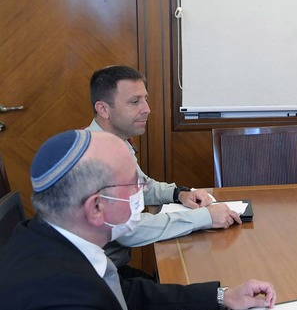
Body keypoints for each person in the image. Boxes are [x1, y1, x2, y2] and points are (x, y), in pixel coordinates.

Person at [0, 129, 294, 310]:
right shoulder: (53, 300)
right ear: (96, 208)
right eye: (133, 184)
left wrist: (222, 297)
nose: (142, 192)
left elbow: (125, 296)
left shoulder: (46, 235)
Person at [87, 65, 242, 274]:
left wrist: (179, 194)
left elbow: (141, 186)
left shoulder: (115, 143)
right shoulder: (96, 155)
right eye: (135, 102)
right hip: (99, 278)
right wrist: (205, 217)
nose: (146, 109)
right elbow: (128, 229)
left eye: (145, 99)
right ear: (103, 109)